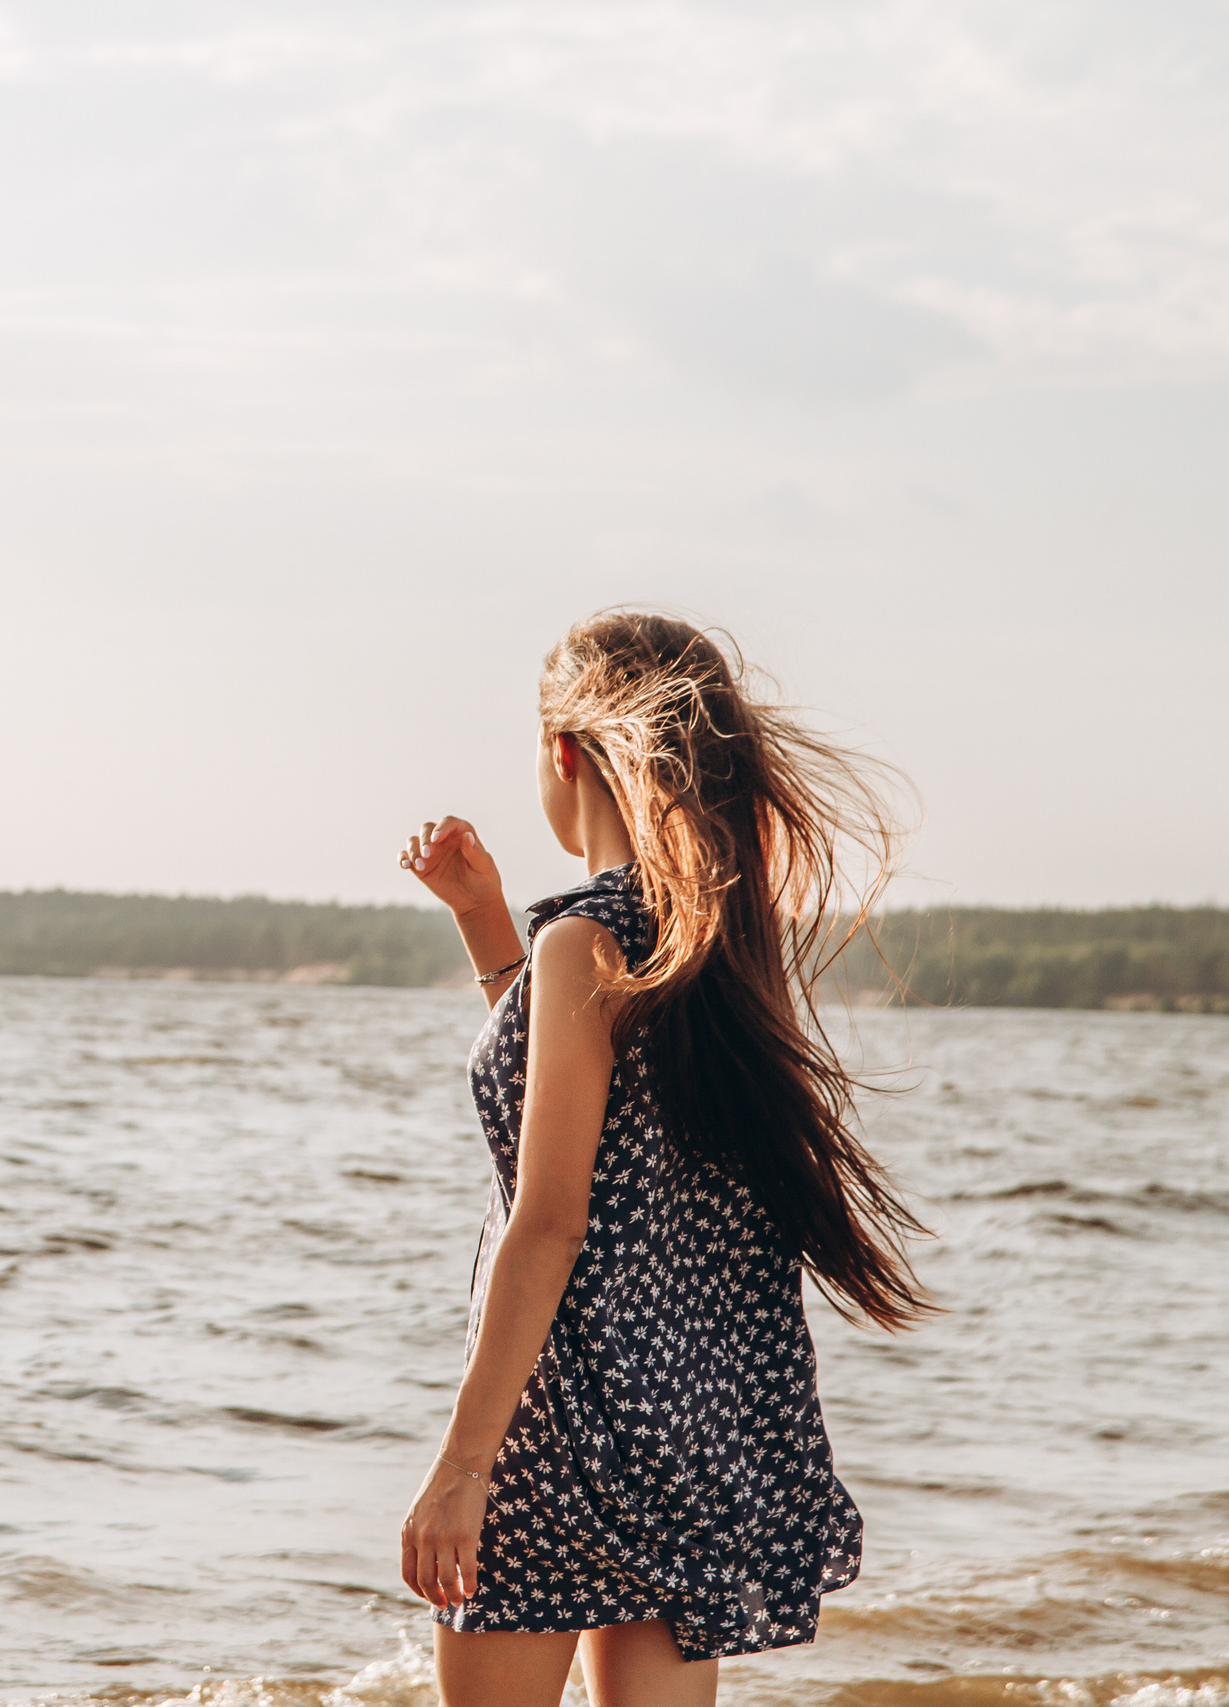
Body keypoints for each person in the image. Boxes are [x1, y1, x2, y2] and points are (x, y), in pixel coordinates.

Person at [393, 611, 934, 1707]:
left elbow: (550, 1219)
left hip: (561, 1422)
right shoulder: (722, 946)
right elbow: (607, 1109)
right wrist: (485, 920)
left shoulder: (581, 942)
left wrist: (461, 1470)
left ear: (562, 754)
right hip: (695, 1428)